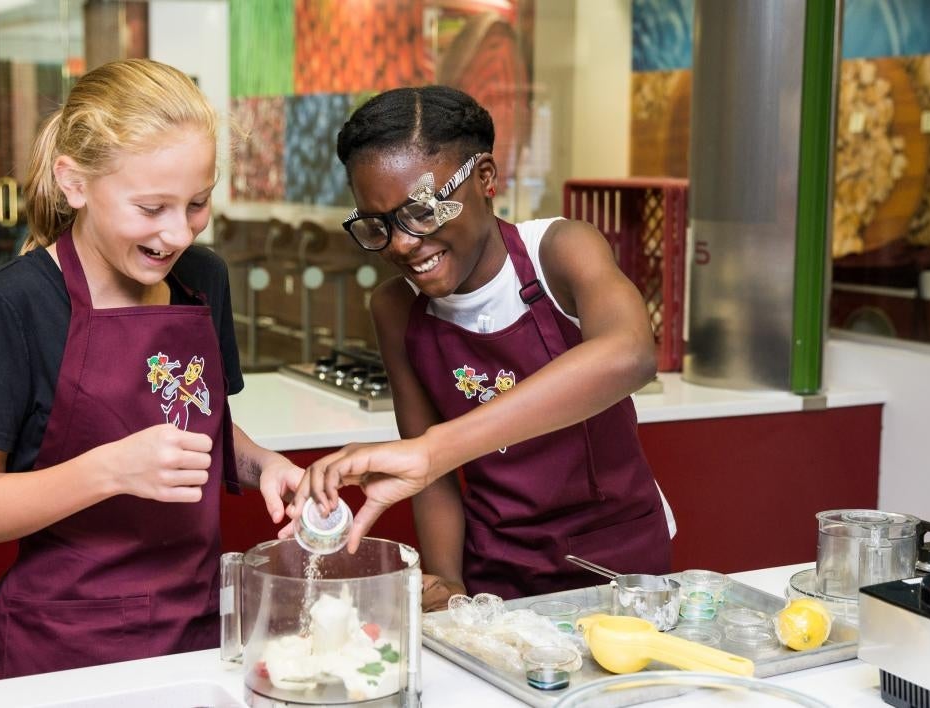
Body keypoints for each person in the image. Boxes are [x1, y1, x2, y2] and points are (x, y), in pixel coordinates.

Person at [0, 58, 303, 681]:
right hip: (63, 650)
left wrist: (261, 462)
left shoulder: (202, 279)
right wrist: (110, 469)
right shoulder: (12, 306)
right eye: (151, 207)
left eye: (197, 203)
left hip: (196, 631)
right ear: (74, 184)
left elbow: (200, 424)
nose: (178, 233)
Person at [289, 86, 675, 608]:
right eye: (378, 225)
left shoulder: (560, 253)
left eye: (422, 212)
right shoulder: (396, 308)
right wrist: (448, 579)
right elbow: (433, 479)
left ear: (486, 178)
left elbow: (630, 353)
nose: (402, 244)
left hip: (616, 566)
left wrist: (432, 449)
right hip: (496, 568)